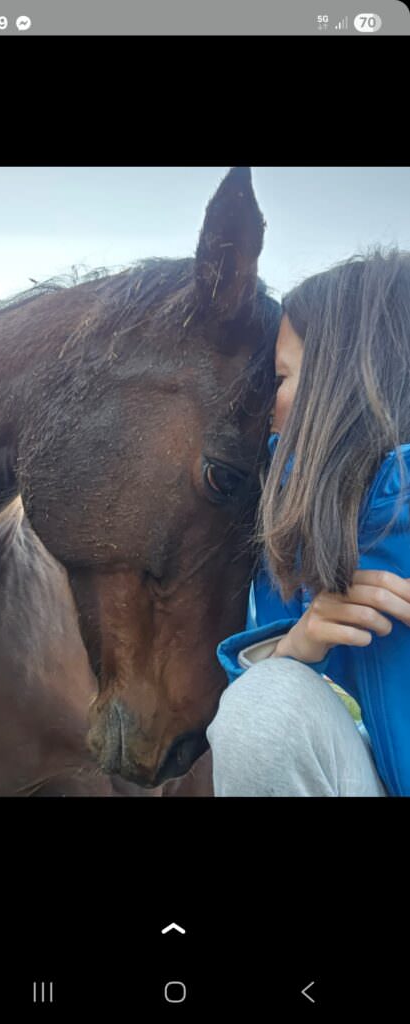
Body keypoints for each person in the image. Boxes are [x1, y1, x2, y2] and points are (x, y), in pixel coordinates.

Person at [206, 248, 410, 797]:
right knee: (265, 705)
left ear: (339, 381)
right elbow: (268, 745)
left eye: (280, 379)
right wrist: (293, 649)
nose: (267, 406)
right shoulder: (293, 524)